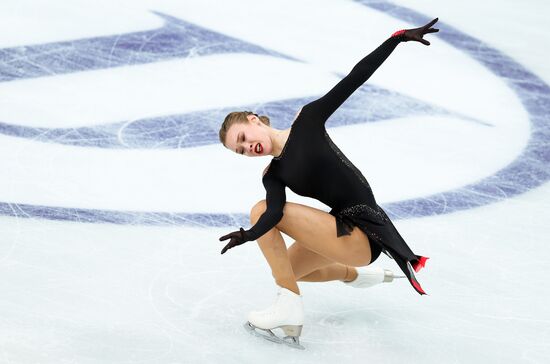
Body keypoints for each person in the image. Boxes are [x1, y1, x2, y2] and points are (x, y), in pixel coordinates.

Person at [218, 18, 439, 349]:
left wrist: (396, 40)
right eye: (241, 150)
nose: (248, 148)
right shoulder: (273, 174)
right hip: (345, 238)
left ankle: (289, 310)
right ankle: (359, 276)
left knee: (260, 215)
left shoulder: (307, 121)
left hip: (364, 231)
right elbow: (275, 211)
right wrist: (249, 235)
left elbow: (354, 78)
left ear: (254, 120)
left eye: (244, 138)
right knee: (289, 270)